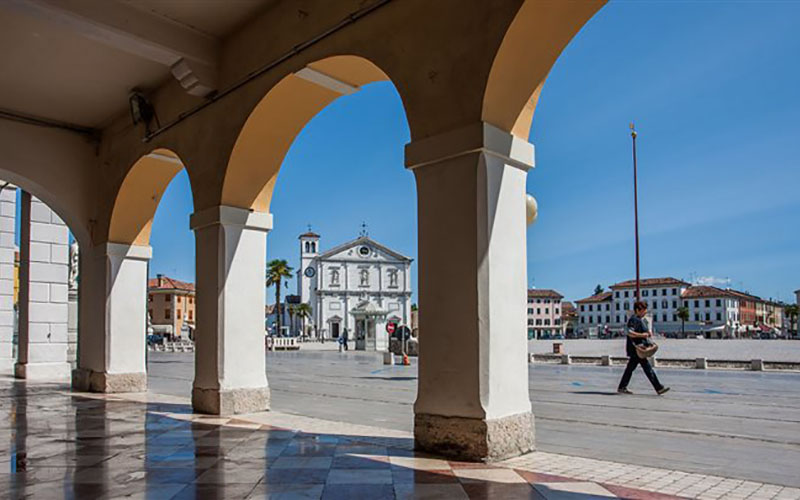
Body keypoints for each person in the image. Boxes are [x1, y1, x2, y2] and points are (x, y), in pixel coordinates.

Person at [618, 301, 670, 395]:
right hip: (637, 349)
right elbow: (630, 333)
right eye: (644, 310)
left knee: (631, 368)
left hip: (637, 349)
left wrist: (646, 334)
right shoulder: (634, 319)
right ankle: (658, 387)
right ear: (638, 310)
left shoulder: (639, 319)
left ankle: (622, 387)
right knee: (647, 368)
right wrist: (643, 335)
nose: (645, 312)